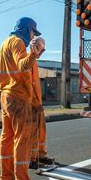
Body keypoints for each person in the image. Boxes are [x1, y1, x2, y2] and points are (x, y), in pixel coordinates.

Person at [0, 17, 46, 180]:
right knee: (21, 140)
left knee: (7, 138)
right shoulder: (17, 43)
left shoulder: (5, 44)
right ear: (27, 30)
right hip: (18, 97)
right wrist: (33, 52)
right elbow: (23, 65)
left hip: (5, 96)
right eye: (33, 32)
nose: (33, 36)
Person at [29, 37, 55, 169]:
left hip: (36, 103)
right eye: (41, 49)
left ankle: (41, 155)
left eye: (43, 50)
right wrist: (35, 103)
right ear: (34, 47)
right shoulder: (29, 61)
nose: (42, 52)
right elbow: (28, 86)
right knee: (33, 132)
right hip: (31, 104)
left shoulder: (33, 62)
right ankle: (32, 159)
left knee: (41, 130)